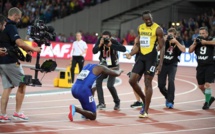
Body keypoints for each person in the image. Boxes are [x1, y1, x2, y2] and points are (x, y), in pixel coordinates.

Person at [0, 7, 41, 122]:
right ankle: (17, 113)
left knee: (7, 87)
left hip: (1, 62)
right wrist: (33, 49)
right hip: (10, 62)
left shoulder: (2, 26)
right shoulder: (11, 26)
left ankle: (3, 115)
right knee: (23, 82)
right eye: (18, 19)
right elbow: (19, 42)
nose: (18, 21)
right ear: (14, 16)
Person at [124, 10, 165, 118]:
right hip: (141, 57)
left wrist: (160, 64)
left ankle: (145, 110)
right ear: (143, 20)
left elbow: (162, 46)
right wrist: (131, 53)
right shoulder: (140, 28)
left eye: (150, 19)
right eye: (146, 19)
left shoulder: (158, 29)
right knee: (132, 80)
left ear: (152, 17)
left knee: (148, 83)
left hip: (151, 58)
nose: (148, 21)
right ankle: (144, 99)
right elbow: (138, 44)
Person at [92, 31, 126, 110]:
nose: (105, 39)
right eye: (103, 37)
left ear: (110, 37)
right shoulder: (100, 40)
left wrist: (112, 45)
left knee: (110, 85)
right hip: (104, 66)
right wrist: (100, 44)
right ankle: (101, 103)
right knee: (98, 81)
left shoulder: (113, 41)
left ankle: (117, 102)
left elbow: (123, 49)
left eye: (106, 38)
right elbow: (94, 51)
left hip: (113, 66)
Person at [157, 28, 185, 109]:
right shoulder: (164, 39)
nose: (170, 37)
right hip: (163, 64)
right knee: (160, 85)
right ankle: (168, 96)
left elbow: (183, 49)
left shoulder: (179, 40)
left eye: (171, 35)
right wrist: (163, 40)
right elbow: (157, 49)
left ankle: (170, 101)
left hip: (173, 64)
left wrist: (175, 41)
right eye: (169, 35)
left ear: (175, 35)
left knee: (171, 80)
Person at [189, 26, 215, 110]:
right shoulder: (197, 41)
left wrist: (205, 42)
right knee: (200, 86)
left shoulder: (211, 39)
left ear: (207, 33)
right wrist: (195, 43)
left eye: (203, 33)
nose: (201, 35)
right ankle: (210, 98)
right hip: (200, 66)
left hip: (210, 65)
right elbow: (189, 50)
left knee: (207, 84)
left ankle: (207, 102)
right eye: (200, 33)